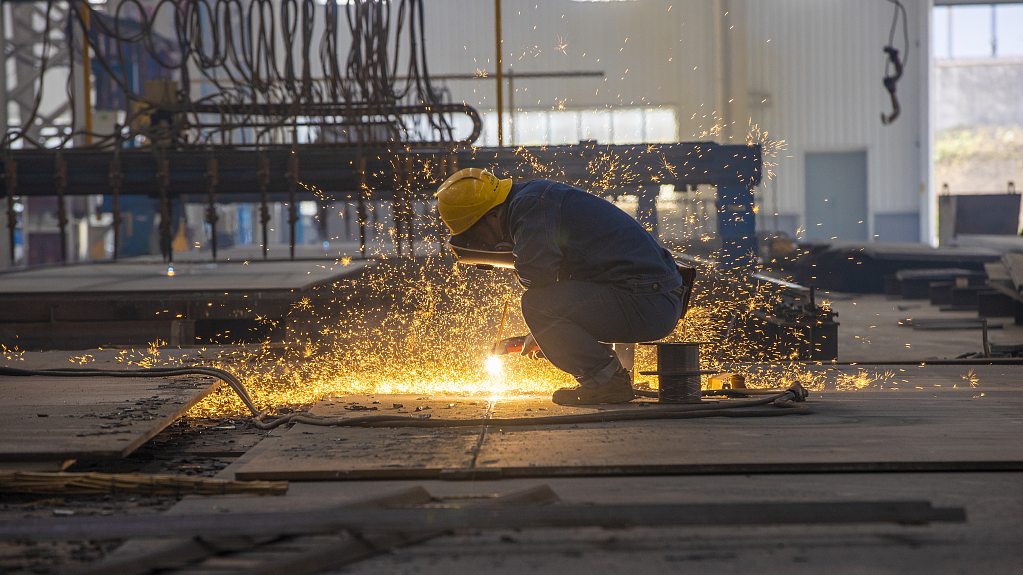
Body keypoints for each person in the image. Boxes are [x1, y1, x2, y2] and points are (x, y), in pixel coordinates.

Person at [436, 168, 688, 405]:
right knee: (544, 309)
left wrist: (548, 326)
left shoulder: (530, 207)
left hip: (649, 303)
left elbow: (538, 278)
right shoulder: (533, 198)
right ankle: (608, 377)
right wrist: (553, 336)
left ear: (491, 216)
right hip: (654, 297)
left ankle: (608, 382)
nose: (483, 245)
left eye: (477, 237)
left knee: (535, 304)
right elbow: (577, 285)